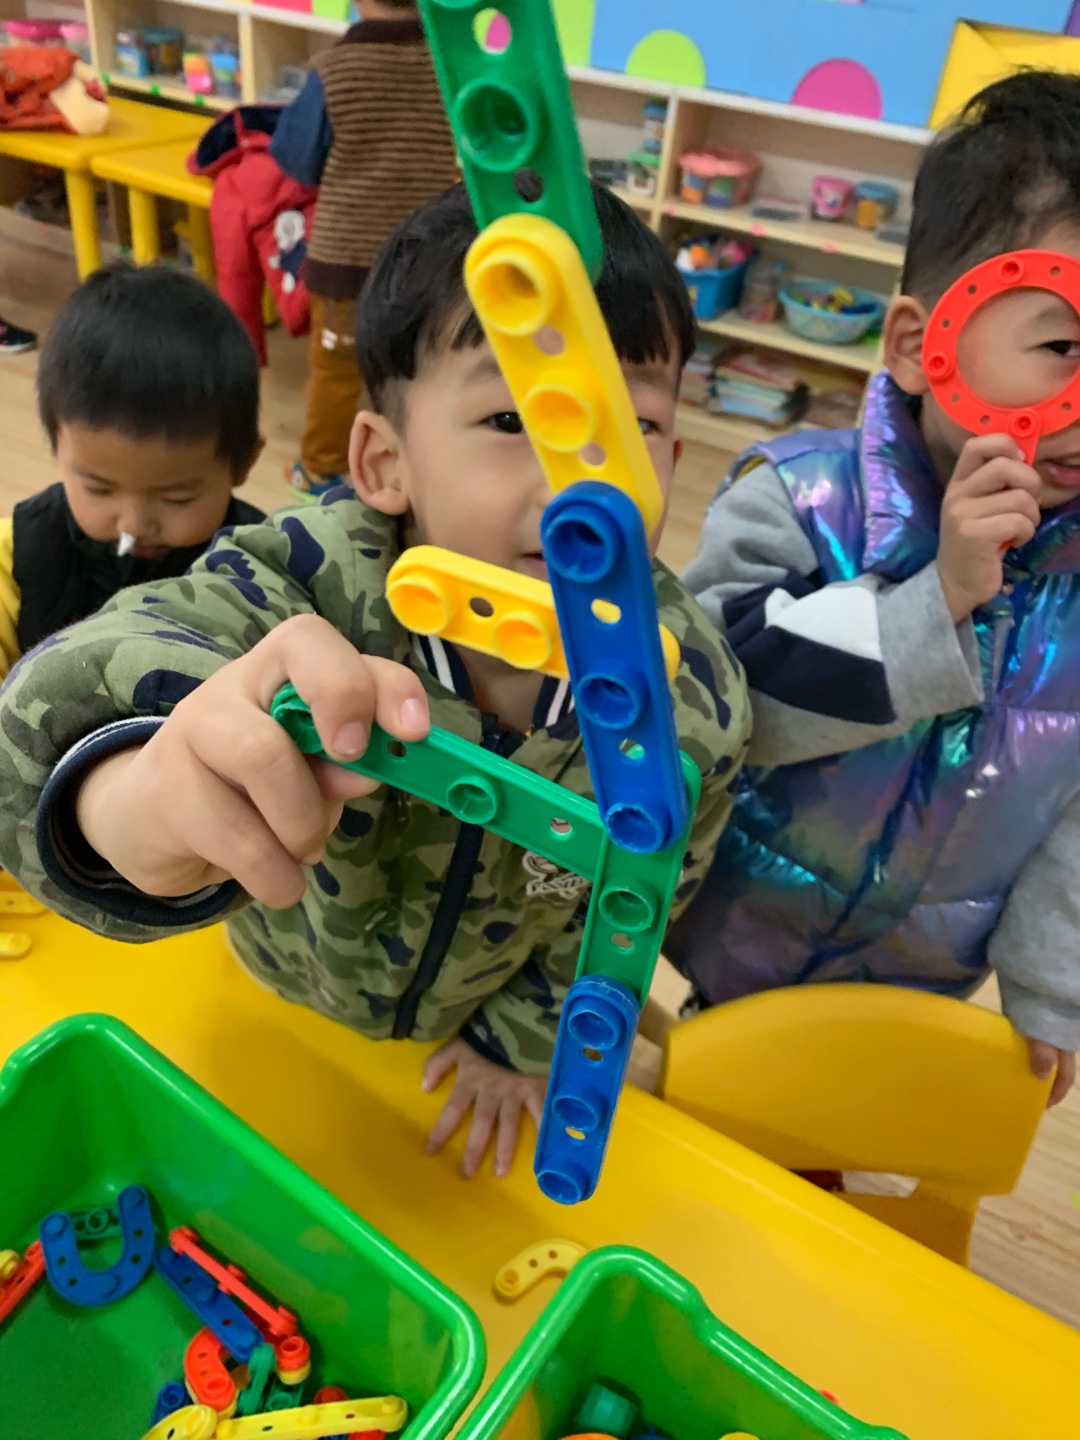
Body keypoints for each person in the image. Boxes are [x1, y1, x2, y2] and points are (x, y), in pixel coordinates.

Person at [0, 183, 750, 1178]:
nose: (582, 485)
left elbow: (636, 904)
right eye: (511, 418)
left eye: (634, 426)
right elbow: (125, 649)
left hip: (457, 1049)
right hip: (270, 989)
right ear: (384, 461)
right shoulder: (310, 583)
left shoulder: (694, 705)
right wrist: (115, 786)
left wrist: (519, 1044)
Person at [667, 71, 1080, 1107]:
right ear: (917, 345)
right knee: (704, 1107)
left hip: (917, 988)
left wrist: (1048, 990)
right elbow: (710, 704)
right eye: (1064, 347)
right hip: (729, 939)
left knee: (833, 1135)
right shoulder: (794, 499)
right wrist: (935, 597)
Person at [0, 264, 265, 679]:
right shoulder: (17, 556)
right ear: (57, 451)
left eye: (177, 497)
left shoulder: (267, 566)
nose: (134, 525)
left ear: (244, 462)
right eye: (99, 489)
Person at [270, 0, 458, 498]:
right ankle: (412, 465)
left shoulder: (335, 68)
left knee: (336, 370)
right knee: (415, 368)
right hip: (428, 255)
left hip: (346, 258)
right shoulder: (452, 63)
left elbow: (296, 159)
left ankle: (320, 470)